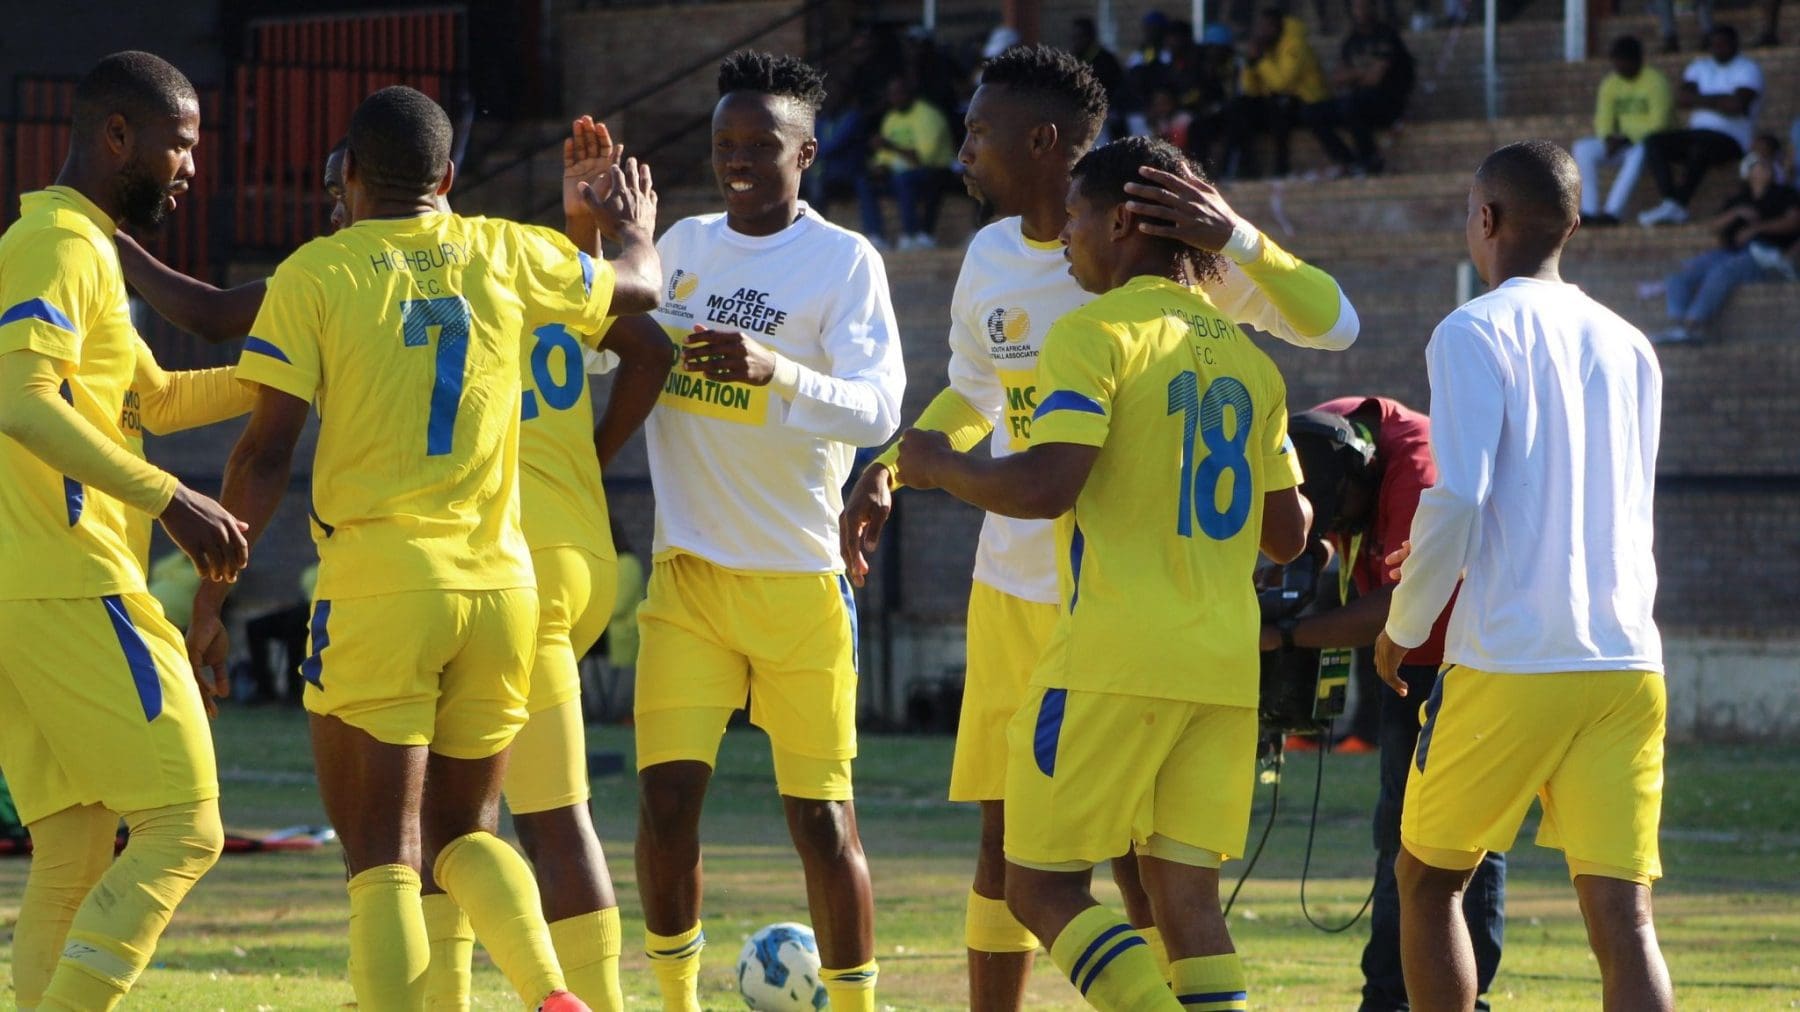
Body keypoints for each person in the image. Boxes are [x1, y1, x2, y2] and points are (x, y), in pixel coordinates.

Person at [840, 44, 1357, 1012]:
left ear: (1046, 147)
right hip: (1035, 594)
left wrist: (1239, 235)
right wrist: (894, 464)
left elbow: (1335, 324)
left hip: (1107, 613)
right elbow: (972, 389)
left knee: (1114, 866)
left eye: (980, 131)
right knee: (1010, 840)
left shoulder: (1174, 270)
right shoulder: (994, 256)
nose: (964, 151)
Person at [188, 85, 662, 1011]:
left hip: (382, 585)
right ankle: (550, 992)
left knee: (382, 858)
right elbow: (640, 293)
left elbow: (265, 452)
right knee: (464, 833)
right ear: (447, 177)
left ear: (352, 176)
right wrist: (630, 224)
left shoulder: (316, 274)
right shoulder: (507, 248)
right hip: (502, 588)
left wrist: (212, 599)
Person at [631, 51, 904, 1012]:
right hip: (689, 577)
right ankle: (676, 1004)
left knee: (823, 823)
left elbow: (878, 409)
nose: (738, 159)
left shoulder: (844, 261)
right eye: (724, 144)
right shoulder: (681, 244)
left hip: (798, 580)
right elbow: (604, 349)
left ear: (806, 152)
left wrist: (775, 371)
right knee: (665, 806)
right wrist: (598, 232)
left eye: (760, 144)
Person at [1374, 139, 1672, 1011]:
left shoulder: (1472, 327)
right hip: (1626, 661)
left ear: (1486, 220)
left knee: (1427, 882)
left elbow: (1457, 495)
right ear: (1574, 226)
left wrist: (1402, 627)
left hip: (1512, 659)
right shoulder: (1632, 345)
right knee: (1625, 916)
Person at [0, 50, 248, 1011]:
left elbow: (151, 398)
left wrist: (291, 371)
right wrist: (170, 501)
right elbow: (18, 401)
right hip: (72, 581)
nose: (191, 166)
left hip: (40, 588)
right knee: (186, 825)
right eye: (179, 145)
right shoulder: (57, 244)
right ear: (117, 136)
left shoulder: (85, 247)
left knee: (73, 842)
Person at [1277, 402, 1506, 1011]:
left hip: (1451, 657)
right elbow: (1310, 537)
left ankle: (1458, 999)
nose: (1339, 531)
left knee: (1455, 845)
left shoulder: (1420, 469)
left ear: (1363, 474)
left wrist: (1292, 635)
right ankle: (1387, 997)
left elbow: (1405, 601)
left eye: (1340, 518)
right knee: (1396, 834)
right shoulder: (1315, 441)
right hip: (1401, 663)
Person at [1653, 151, 1800, 344]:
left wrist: (1756, 229)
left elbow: (1794, 222)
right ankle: (1678, 326)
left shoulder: (1784, 194)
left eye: (1766, 165)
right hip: (1731, 252)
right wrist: (1736, 213)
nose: (1764, 169)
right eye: (1757, 165)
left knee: (1722, 271)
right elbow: (1713, 227)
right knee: (1680, 270)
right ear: (1748, 173)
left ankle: (1692, 326)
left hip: (1766, 254)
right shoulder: (1738, 199)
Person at [1638, 25, 1763, 227]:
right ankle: (1670, 201)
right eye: (1714, 45)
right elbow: (1681, 99)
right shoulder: (1699, 66)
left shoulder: (1748, 68)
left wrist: (1700, 99)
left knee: (1701, 147)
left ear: (1735, 44)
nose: (1718, 48)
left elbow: (1737, 105)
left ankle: (1679, 204)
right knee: (1654, 141)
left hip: (1731, 139)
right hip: (1696, 133)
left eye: (1723, 44)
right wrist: (1720, 99)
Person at [1571, 37, 1672, 227]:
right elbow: (1603, 118)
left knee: (1641, 150)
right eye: (1617, 62)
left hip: (1650, 143)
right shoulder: (1610, 83)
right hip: (1620, 142)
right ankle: (1590, 212)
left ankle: (1612, 213)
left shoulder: (1656, 81)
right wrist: (1608, 137)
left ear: (1638, 60)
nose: (1621, 66)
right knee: (1583, 148)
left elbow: (1660, 124)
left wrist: (1627, 138)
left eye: (1625, 61)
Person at [1307, 0, 1416, 177]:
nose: (1360, 11)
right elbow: (1337, 78)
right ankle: (1347, 160)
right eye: (1357, 7)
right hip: (1357, 100)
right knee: (1312, 112)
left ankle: (1370, 159)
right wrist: (1363, 73)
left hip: (1386, 102)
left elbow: (1375, 78)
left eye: (1364, 6)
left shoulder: (1386, 36)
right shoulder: (1351, 41)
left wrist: (1353, 75)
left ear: (1373, 8)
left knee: (1351, 105)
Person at [1226, 8, 1328, 179]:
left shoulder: (1295, 44)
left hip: (1307, 101)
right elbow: (1251, 90)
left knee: (1278, 109)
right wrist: (1251, 64)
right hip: (1276, 101)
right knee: (1239, 107)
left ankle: (1282, 167)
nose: (1261, 32)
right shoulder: (1266, 48)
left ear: (1277, 27)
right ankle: (1245, 166)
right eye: (1260, 27)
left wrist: (1261, 60)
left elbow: (1282, 83)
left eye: (1266, 27)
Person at [858, 76, 954, 251]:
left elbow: (923, 159)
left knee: (903, 179)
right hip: (899, 175)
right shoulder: (891, 118)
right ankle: (876, 237)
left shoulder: (928, 115)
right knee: (865, 182)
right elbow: (884, 157)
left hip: (932, 173)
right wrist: (880, 167)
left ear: (910, 94)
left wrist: (890, 146)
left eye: (899, 93)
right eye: (891, 94)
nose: (894, 98)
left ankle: (911, 235)